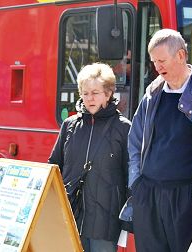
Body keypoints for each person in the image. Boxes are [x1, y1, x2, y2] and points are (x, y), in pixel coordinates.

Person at [127, 29, 192, 252]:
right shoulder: (152, 94)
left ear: (181, 56)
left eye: (162, 60)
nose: (157, 67)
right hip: (149, 199)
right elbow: (134, 141)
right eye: (154, 61)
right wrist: (136, 183)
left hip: (188, 201)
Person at [49, 63, 131, 252]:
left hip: (105, 224)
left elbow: (130, 177)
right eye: (85, 93)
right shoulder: (69, 125)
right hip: (70, 219)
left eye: (95, 92)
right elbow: (53, 166)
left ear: (108, 94)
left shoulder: (123, 128)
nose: (89, 98)